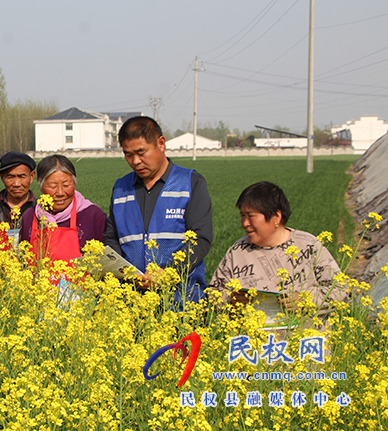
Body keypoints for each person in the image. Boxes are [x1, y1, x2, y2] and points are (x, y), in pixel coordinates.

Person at [103, 116, 212, 305]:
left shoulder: (190, 182)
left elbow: (200, 239)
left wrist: (169, 272)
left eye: (141, 152)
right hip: (133, 302)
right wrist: (124, 270)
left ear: (160, 144)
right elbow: (111, 236)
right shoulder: (121, 188)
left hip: (181, 301)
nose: (135, 161)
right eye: (128, 155)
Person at [209, 181, 341, 311]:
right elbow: (213, 293)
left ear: (276, 217)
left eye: (251, 216)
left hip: (306, 331)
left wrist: (305, 299)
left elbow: (340, 289)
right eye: (242, 216)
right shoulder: (238, 251)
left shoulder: (308, 245)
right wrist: (232, 299)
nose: (245, 223)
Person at [19, 154, 107, 261]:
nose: (60, 193)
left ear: (74, 183)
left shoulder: (94, 216)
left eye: (66, 185)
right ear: (41, 187)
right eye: (53, 186)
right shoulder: (29, 217)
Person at [0, 151, 37, 224]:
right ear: (2, 177)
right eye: (10, 177)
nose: (16, 184)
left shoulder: (42, 210)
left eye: (22, 177)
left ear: (31, 176)